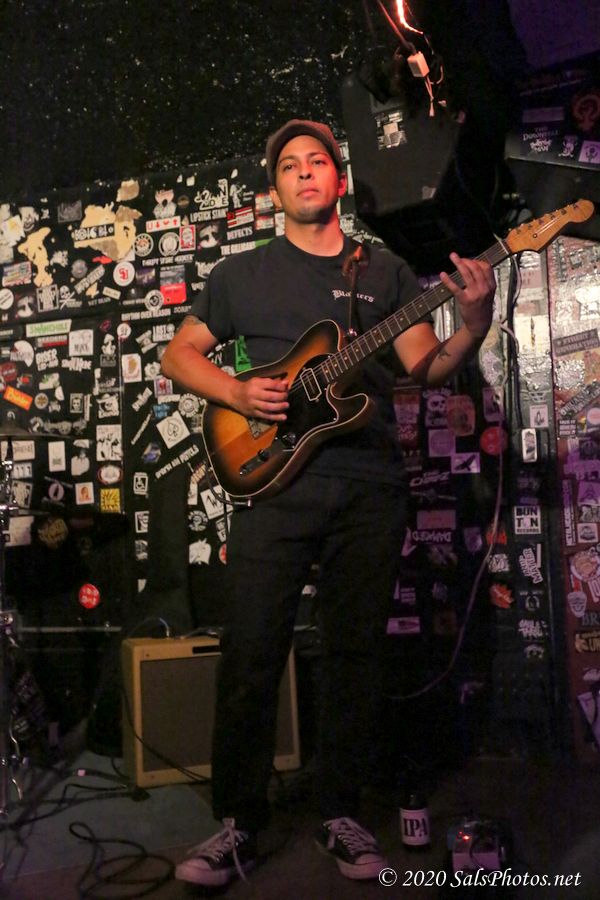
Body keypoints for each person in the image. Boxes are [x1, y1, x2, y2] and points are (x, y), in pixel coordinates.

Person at [160, 119, 496, 888]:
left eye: (317, 161)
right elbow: (178, 355)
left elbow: (427, 366)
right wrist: (237, 392)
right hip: (272, 483)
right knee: (251, 653)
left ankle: (340, 811)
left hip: (369, 485)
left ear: (338, 180)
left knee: (356, 654)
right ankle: (239, 821)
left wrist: (473, 322)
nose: (304, 171)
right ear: (274, 188)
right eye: (289, 165)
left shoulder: (384, 271)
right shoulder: (239, 275)